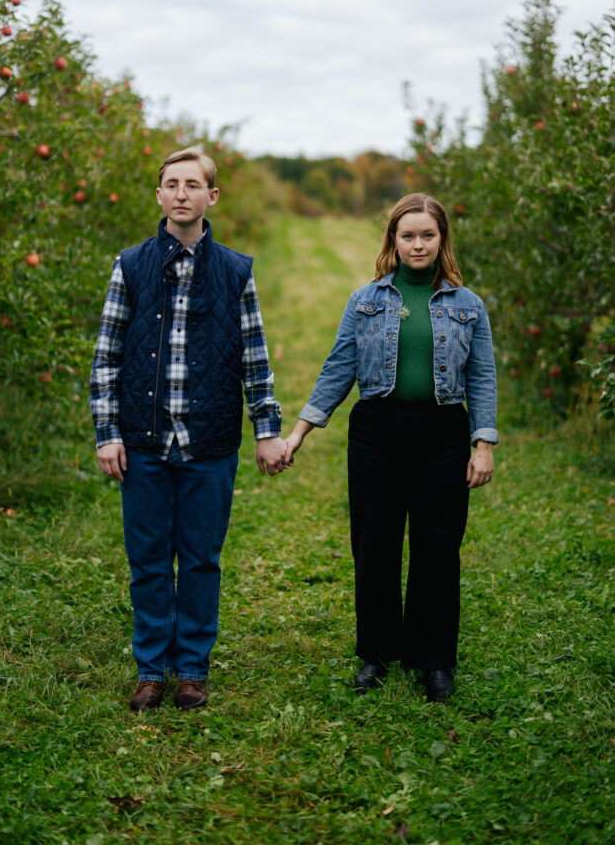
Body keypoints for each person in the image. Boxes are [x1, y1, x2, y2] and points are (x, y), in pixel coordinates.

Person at [90, 145, 288, 713]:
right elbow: (106, 357)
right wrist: (108, 432)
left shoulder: (235, 270)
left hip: (210, 441)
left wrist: (267, 428)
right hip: (144, 441)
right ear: (159, 195)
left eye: (193, 184)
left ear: (211, 196)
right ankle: (151, 667)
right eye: (171, 184)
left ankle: (192, 668)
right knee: (149, 557)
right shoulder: (131, 266)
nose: (182, 193)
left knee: (201, 557)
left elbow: (255, 356)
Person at [284, 193, 497, 702]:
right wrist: (300, 431)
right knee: (375, 545)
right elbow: (339, 368)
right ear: (393, 241)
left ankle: (434, 660)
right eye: (408, 235)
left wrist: (482, 441)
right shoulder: (366, 301)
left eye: (428, 235)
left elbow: (482, 375)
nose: (418, 244)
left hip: (443, 433)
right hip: (377, 433)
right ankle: (376, 654)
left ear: (441, 239)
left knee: (437, 549)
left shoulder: (468, 306)